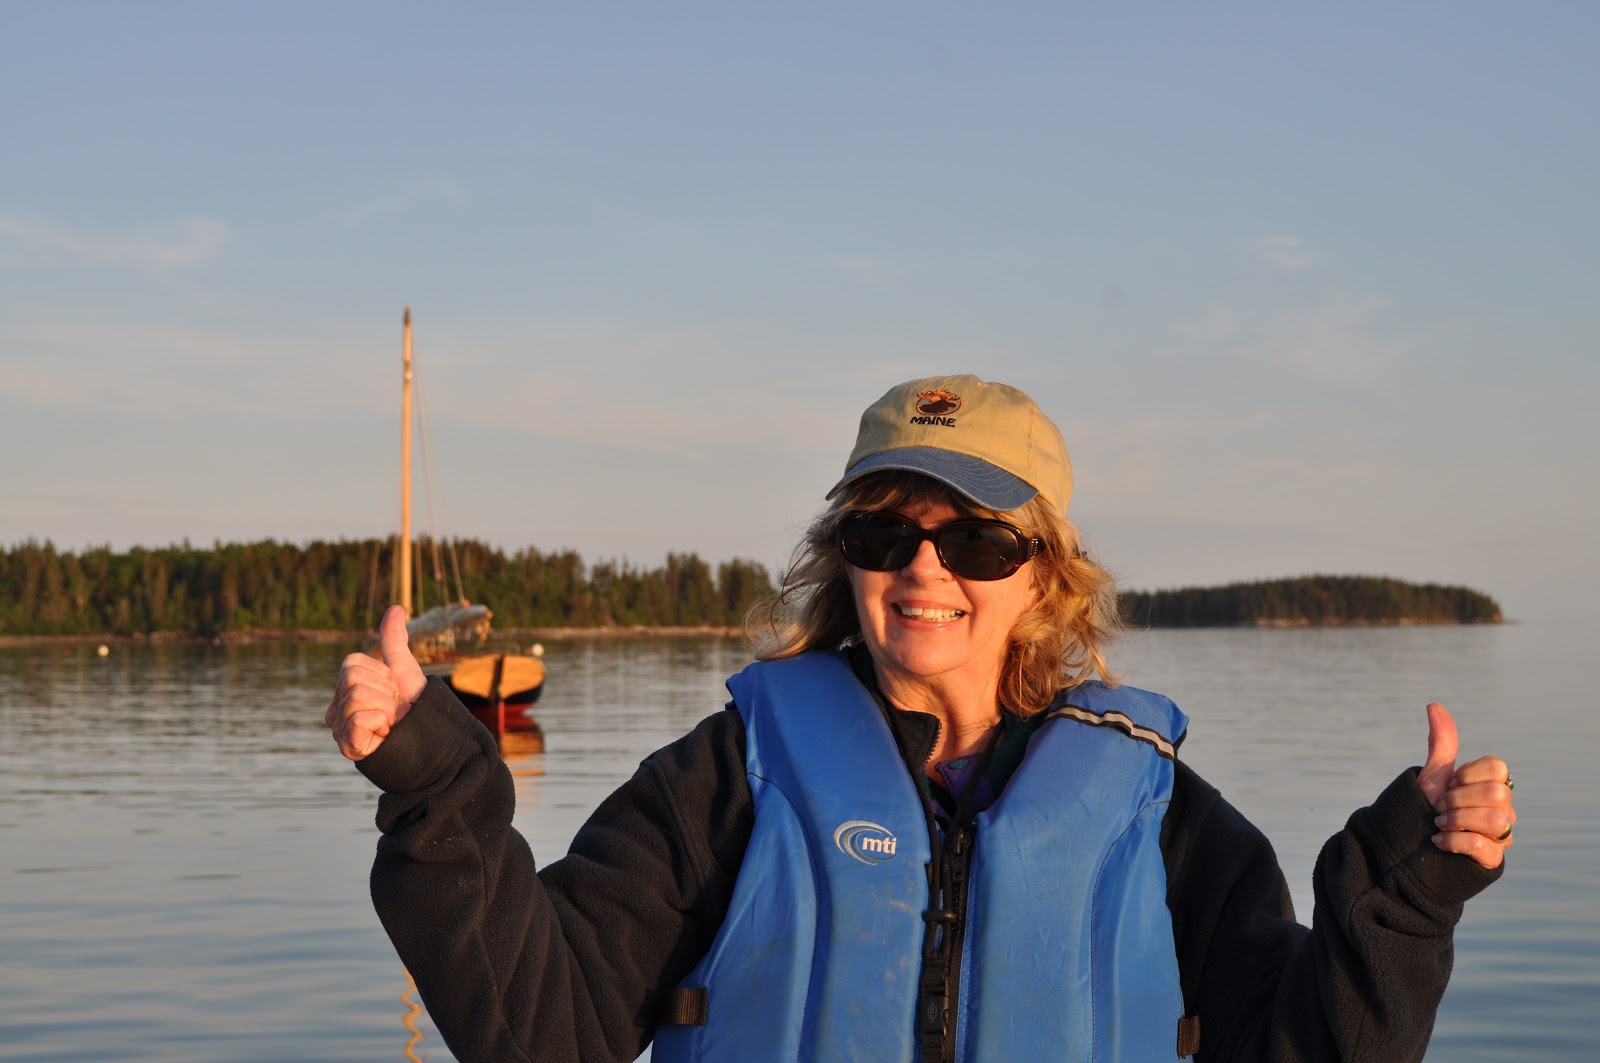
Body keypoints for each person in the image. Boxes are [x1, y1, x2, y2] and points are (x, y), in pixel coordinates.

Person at [327, 375, 1517, 1063]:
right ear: (840, 560)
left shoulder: (1153, 811)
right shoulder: (730, 777)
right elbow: (546, 1027)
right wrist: (436, 784)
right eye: (883, 531)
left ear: (1045, 573)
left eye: (979, 538)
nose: (923, 569)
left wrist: (1405, 893)